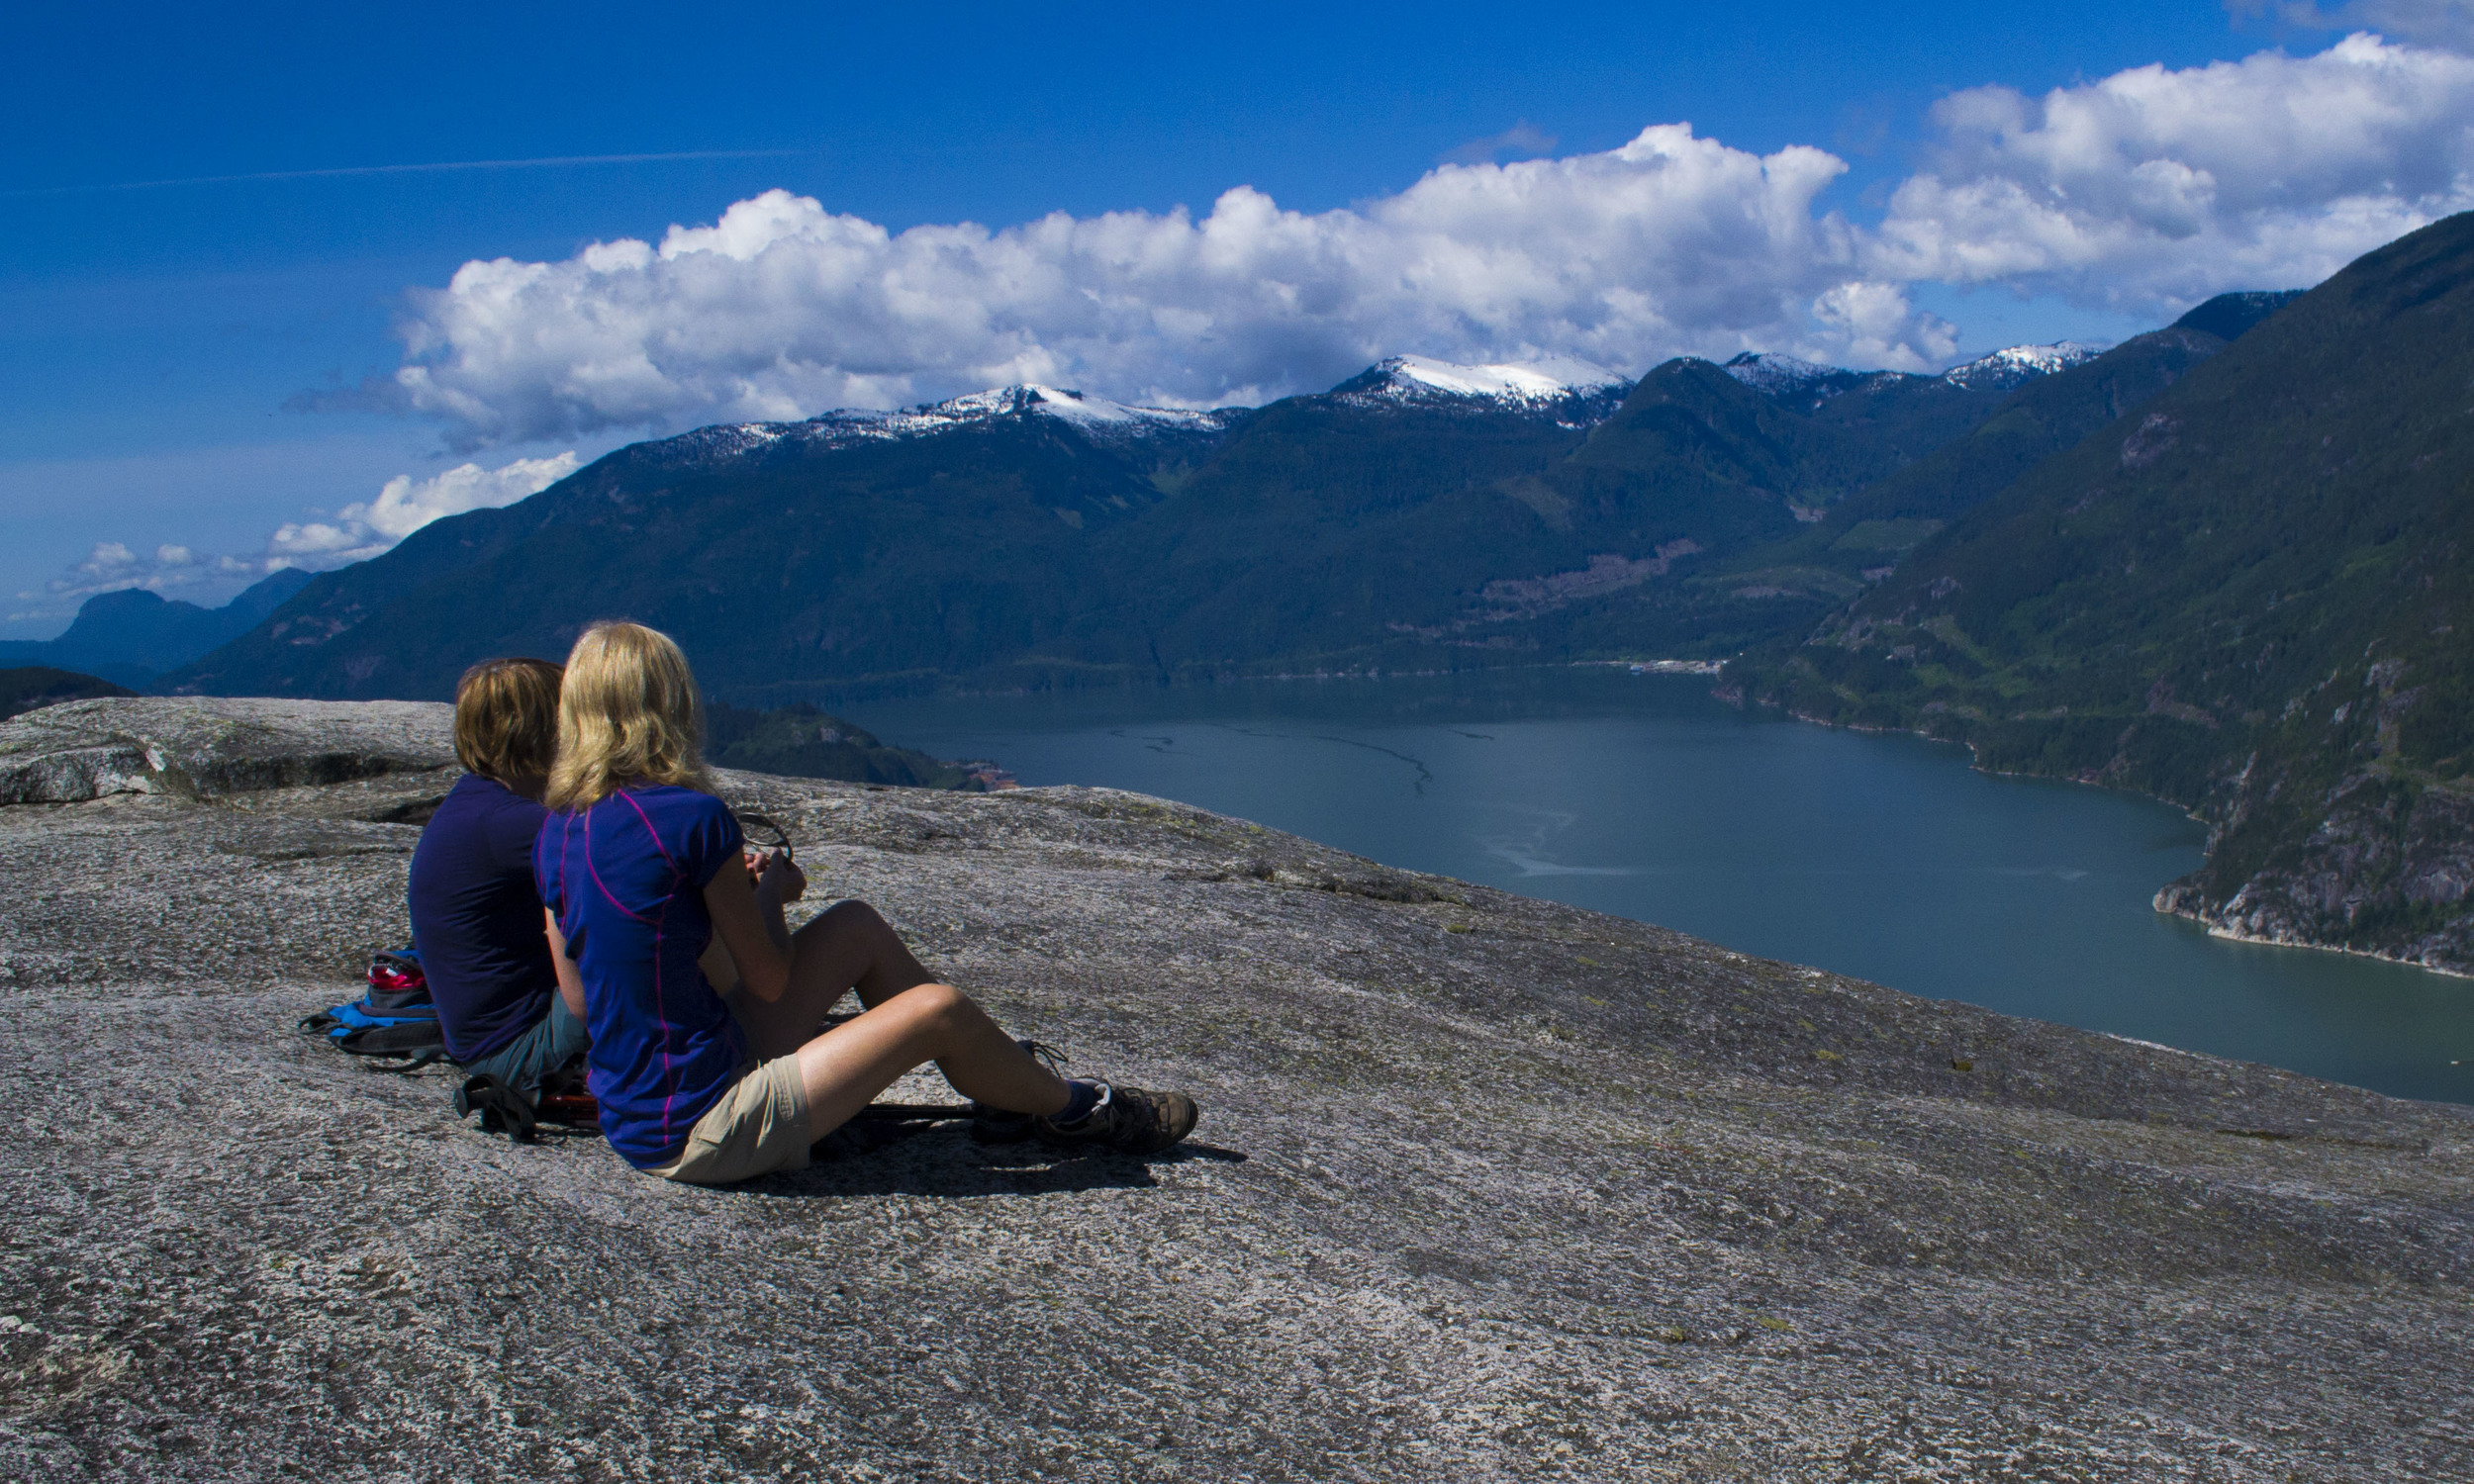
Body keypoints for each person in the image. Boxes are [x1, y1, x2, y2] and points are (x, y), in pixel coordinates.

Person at [533, 620, 1197, 1184]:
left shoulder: (557, 830)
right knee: (939, 1010)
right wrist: (771, 894)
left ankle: (1001, 1084)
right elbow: (769, 979)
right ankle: (1078, 1110)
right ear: (670, 707)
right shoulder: (691, 818)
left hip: (636, 1114)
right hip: (702, 1124)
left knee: (854, 926)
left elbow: (582, 1001)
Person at [407, 657, 591, 1101]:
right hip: (519, 1052)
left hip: (490, 1041)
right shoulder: (513, 825)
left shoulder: (479, 802)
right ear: (546, 730)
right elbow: (643, 865)